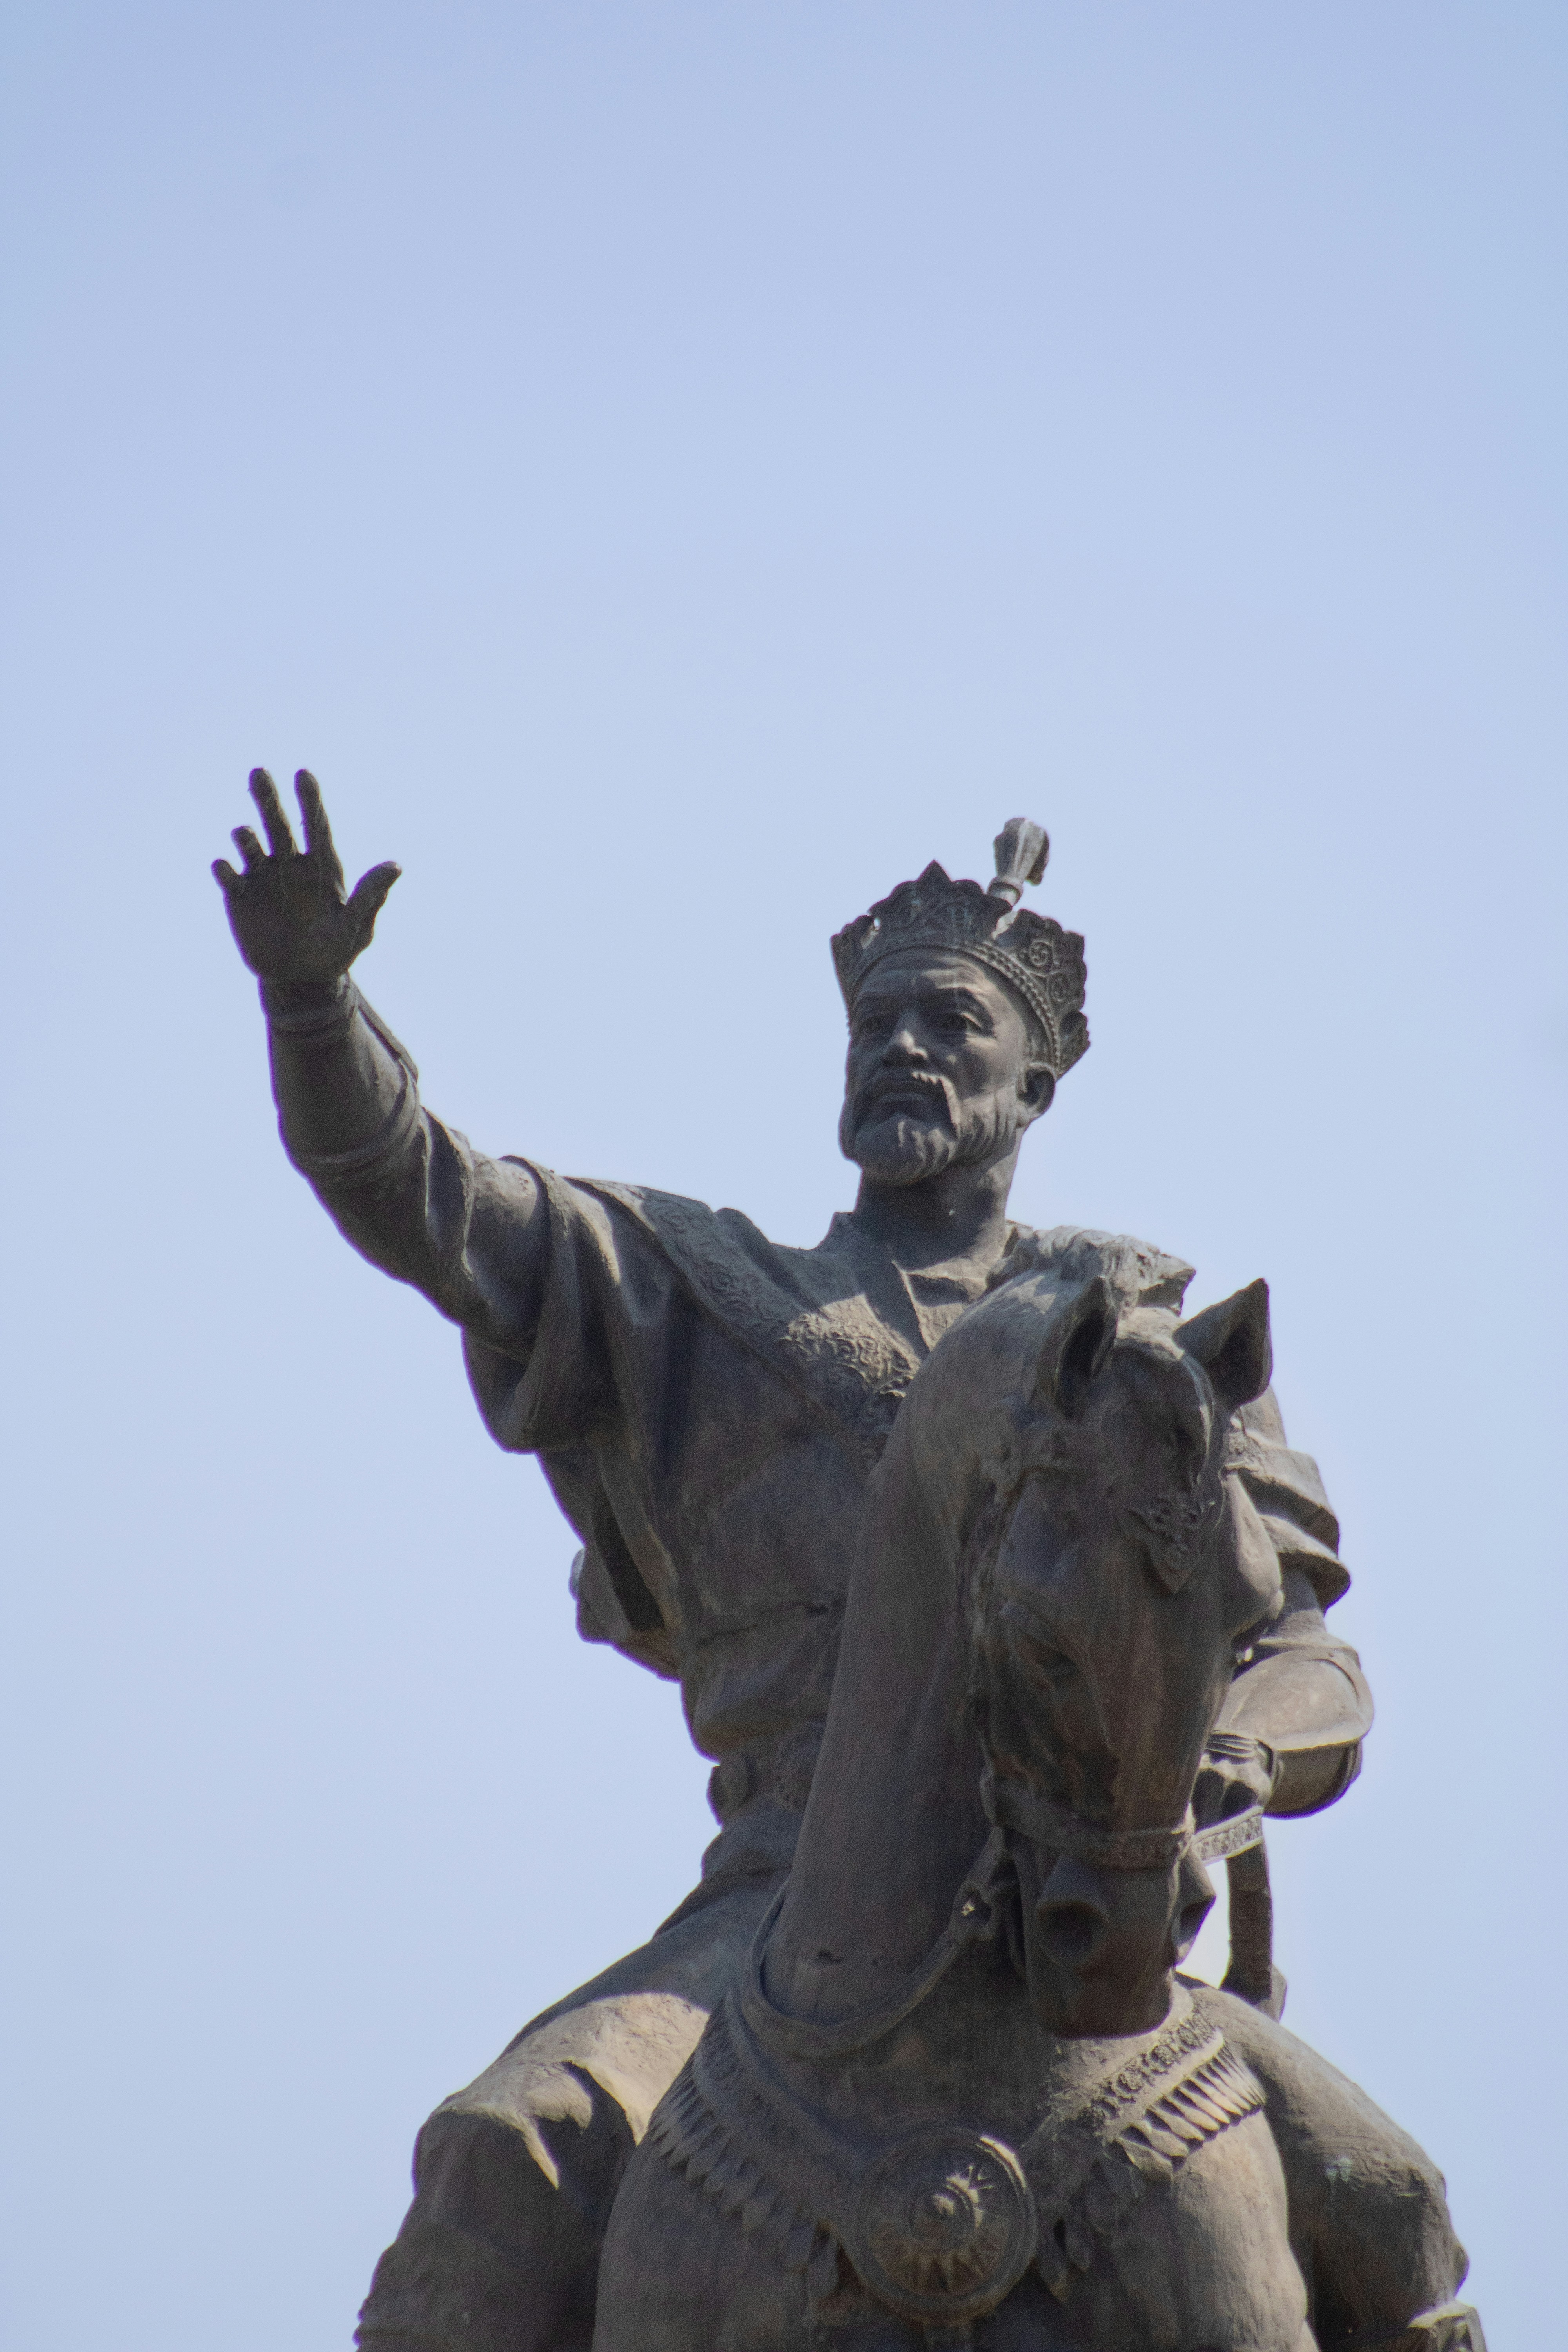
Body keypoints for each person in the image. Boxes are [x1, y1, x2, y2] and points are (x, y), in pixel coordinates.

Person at [215, 772, 1378, 2351]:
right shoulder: (701, 1291)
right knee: (502, 2160)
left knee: (1387, 2204)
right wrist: (308, 999)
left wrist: (1224, 1765)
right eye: (877, 1021)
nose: (902, 1045)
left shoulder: (1148, 1345)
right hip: (771, 1901)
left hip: (1089, 1895)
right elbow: (425, 1196)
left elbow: (1307, 1651)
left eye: (953, 1025)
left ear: (1032, 1088)